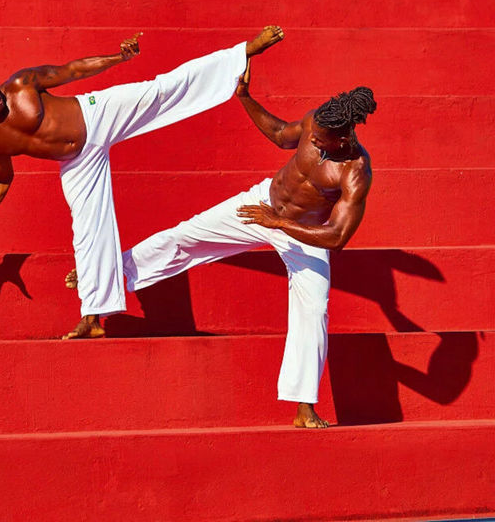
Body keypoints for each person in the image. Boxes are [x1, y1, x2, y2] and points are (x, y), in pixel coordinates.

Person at [69, 66, 376, 428]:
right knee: (186, 236)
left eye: (323, 142)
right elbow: (280, 134)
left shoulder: (355, 171)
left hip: (304, 233)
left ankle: (303, 407)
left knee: (314, 311)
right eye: (316, 138)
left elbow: (338, 237)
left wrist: (279, 224)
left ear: (343, 138)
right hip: (263, 203)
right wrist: (245, 97)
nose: (316, 144)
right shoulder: (316, 122)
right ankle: (104, 274)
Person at [0, 26, 285, 339]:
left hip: (95, 114)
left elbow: (72, 70)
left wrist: (118, 58)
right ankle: (93, 317)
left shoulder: (20, 84)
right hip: (77, 161)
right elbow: (1, 179)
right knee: (88, 232)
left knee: (160, 91)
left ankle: (240, 56)